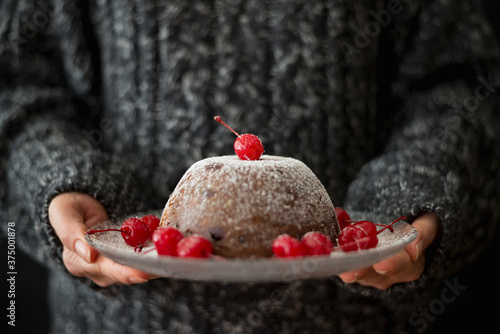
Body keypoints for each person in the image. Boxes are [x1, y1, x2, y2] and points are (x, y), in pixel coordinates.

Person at [1, 0, 499, 333]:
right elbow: (19, 82)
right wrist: (60, 180)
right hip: (117, 319)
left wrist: (416, 191)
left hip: (356, 317)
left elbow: (458, 81)